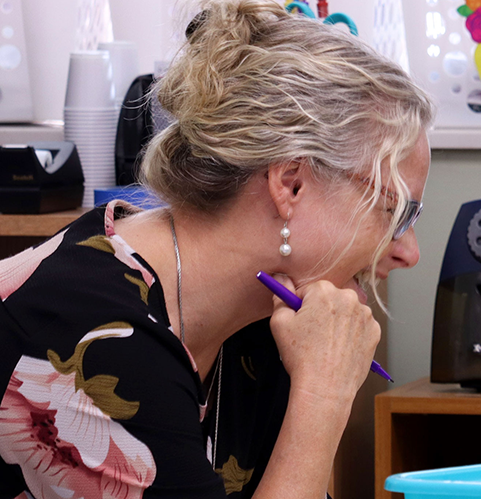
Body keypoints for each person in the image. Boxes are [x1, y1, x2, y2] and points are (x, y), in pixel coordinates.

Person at [0, 0, 433, 497]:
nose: (408, 253)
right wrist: (323, 395)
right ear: (291, 184)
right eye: (396, 212)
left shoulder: (267, 320)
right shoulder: (93, 338)